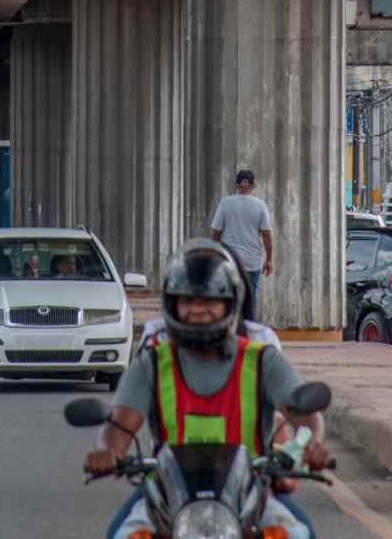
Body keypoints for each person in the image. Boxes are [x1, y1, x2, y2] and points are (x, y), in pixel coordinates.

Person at [85, 241, 330, 536]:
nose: (197, 310)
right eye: (187, 301)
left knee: (300, 534)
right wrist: (107, 452)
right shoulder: (152, 362)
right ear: (173, 305)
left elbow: (304, 414)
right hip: (167, 494)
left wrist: (312, 443)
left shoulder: (263, 359)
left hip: (250, 494)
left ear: (229, 304)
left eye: (209, 301)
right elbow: (119, 425)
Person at [210, 168, 275, 325]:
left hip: (230, 261)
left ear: (236, 185)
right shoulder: (260, 206)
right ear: (254, 186)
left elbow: (216, 232)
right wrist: (269, 260)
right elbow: (266, 234)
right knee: (250, 297)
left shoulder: (225, 203)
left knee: (228, 295)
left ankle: (227, 327)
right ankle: (248, 329)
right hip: (252, 263)